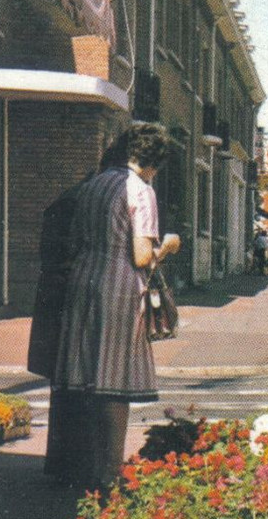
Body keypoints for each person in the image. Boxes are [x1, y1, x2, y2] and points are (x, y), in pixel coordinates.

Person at [39, 122, 180, 488]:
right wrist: (168, 246)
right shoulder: (141, 191)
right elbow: (140, 255)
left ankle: (86, 467)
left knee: (85, 376)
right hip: (118, 288)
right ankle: (110, 471)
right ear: (155, 161)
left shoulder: (94, 185)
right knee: (114, 383)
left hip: (82, 282)